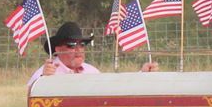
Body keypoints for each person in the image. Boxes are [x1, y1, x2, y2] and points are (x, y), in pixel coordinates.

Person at [27, 23, 158, 87]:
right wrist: (43, 79)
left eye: (82, 44)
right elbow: (31, 96)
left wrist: (142, 74)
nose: (78, 49)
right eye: (72, 45)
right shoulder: (47, 73)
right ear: (58, 49)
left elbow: (113, 89)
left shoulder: (92, 71)